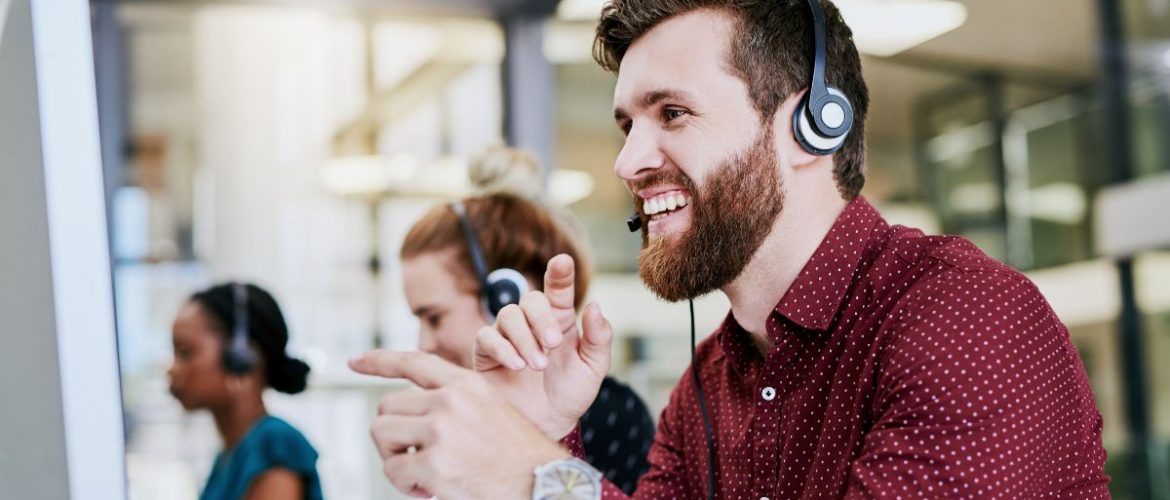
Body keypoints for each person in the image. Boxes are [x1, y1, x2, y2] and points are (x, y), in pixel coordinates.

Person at [349, 0, 1111, 498]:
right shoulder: (710, 382)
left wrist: (537, 478)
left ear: (811, 125)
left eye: (672, 113)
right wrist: (542, 433)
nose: (628, 163)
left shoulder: (968, 322)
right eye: (626, 126)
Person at [398, 187, 655, 494]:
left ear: (505, 297)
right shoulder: (451, 423)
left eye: (435, 318)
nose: (424, 344)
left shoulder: (610, 413)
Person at [169, 283, 324, 500]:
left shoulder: (274, 445)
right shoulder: (230, 454)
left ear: (240, 359)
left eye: (185, 353)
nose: (172, 369)